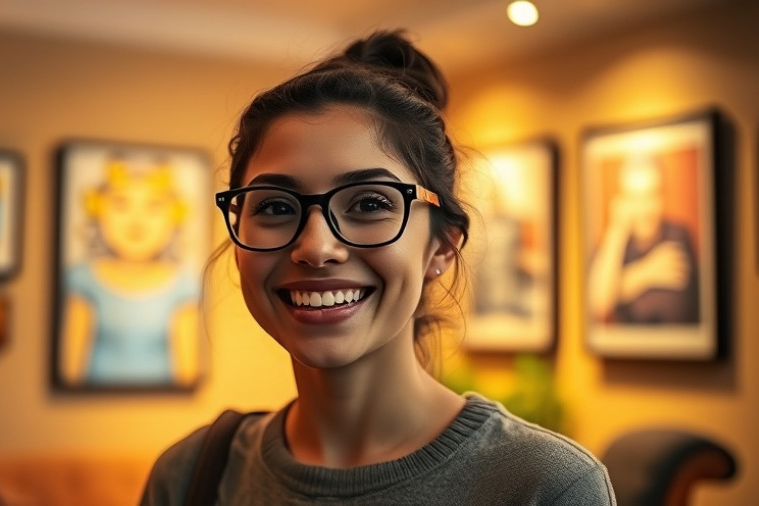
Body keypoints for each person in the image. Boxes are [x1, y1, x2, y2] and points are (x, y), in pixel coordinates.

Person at [141, 31, 615, 504]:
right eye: (275, 207)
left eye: (369, 203)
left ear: (443, 247)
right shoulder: (191, 477)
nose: (316, 247)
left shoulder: (545, 486)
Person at [60, 158, 200, 387]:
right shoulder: (83, 280)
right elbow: (71, 371)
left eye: (153, 206)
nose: (137, 220)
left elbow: (188, 373)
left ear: (174, 215)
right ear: (98, 209)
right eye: (121, 204)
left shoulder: (184, 286)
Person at [588, 154, 700, 324]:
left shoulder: (678, 236)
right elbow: (599, 302)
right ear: (622, 201)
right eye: (634, 197)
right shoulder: (616, 245)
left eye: (651, 195)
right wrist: (647, 271)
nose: (644, 209)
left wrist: (622, 283)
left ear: (662, 198)